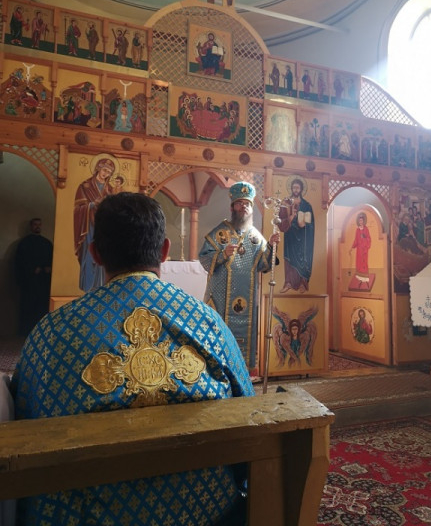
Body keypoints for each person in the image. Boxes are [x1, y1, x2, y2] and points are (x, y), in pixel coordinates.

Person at [12, 192, 253, 526]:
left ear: (95, 253)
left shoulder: (50, 333)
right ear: (165, 250)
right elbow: (247, 412)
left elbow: (22, 419)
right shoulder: (209, 323)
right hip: (208, 512)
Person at [199, 181, 279, 371]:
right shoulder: (220, 232)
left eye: (247, 204)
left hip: (247, 298)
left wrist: (271, 246)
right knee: (218, 335)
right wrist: (222, 254)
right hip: (220, 295)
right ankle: (216, 370)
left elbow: (264, 264)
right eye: (240, 203)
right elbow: (204, 258)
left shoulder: (255, 236)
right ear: (232, 207)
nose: (244, 207)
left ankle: (242, 371)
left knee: (244, 339)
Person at [73, 157, 115, 292]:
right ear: (98, 168)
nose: (105, 174)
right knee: (89, 253)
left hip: (103, 226)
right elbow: (78, 208)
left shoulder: (109, 189)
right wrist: (92, 204)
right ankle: (87, 286)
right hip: (88, 225)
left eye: (109, 172)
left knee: (101, 254)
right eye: (104, 170)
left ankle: (100, 286)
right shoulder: (85, 186)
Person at [14, 218, 53, 336]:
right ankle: (26, 333)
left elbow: (52, 260)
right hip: (29, 284)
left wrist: (48, 268)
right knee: (28, 308)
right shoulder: (24, 243)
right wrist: (32, 270)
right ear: (31, 226)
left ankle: (41, 333)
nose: (37, 227)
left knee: (42, 309)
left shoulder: (47, 243)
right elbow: (20, 263)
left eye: (39, 225)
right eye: (35, 224)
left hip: (44, 283)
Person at [279, 178, 315, 294]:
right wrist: (290, 218)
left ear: (301, 189)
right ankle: (288, 283)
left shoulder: (306, 205)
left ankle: (302, 283)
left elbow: (311, 224)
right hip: (290, 234)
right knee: (290, 259)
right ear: (291, 188)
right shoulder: (285, 203)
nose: (296, 190)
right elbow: (280, 221)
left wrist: (305, 225)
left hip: (303, 237)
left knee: (303, 258)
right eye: (294, 187)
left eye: (298, 188)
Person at [349, 212, 371, 283]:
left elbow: (369, 238)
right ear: (358, 222)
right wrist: (352, 247)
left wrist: (364, 237)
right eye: (359, 221)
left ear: (363, 221)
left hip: (364, 249)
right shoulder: (357, 230)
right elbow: (356, 240)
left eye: (361, 220)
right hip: (359, 250)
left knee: (364, 262)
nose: (360, 222)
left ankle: (365, 277)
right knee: (359, 262)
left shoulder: (366, 229)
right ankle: (359, 277)